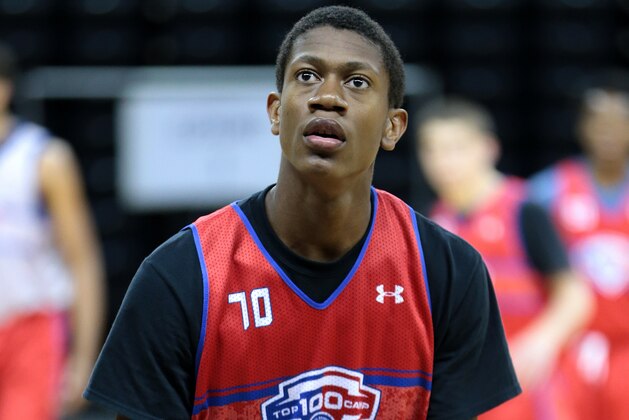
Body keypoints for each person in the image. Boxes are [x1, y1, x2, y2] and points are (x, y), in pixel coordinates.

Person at [85, 6, 521, 419]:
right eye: (308, 76)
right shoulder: (181, 276)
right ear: (276, 111)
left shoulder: (447, 271)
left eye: (357, 82)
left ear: (394, 127)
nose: (327, 97)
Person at [415, 97, 594, 420]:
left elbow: (576, 296)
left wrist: (541, 342)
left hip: (530, 388)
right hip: (467, 391)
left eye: (456, 147)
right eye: (432, 149)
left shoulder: (525, 208)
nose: (443, 161)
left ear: (488, 148)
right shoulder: (431, 221)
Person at [0, 42, 106, 418]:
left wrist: (82, 357)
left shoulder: (44, 158)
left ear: (5, 88)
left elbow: (83, 261)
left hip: (31, 327)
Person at [528, 71, 629, 420]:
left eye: (618, 123)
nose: (609, 132)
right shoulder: (546, 192)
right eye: (599, 122)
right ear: (582, 127)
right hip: (569, 349)